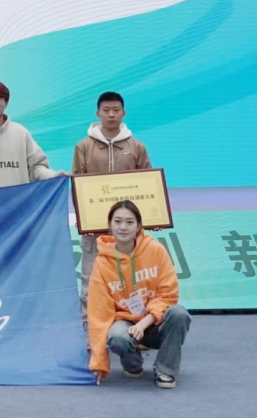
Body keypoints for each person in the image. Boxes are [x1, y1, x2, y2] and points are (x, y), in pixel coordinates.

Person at [88, 200, 189, 389]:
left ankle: (165, 370)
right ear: (109, 226)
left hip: (155, 322)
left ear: (138, 226)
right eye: (117, 221)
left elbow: (168, 294)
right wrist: (99, 363)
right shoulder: (101, 264)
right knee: (117, 336)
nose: (123, 227)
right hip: (125, 323)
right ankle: (132, 363)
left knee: (179, 314)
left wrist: (144, 322)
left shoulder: (156, 250)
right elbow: (98, 315)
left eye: (129, 222)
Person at [72, 92, 152, 309]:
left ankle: (131, 326)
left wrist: (151, 218)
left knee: (131, 282)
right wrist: (84, 218)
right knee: (91, 281)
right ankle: (89, 330)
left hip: (128, 230)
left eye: (116, 110)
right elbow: (77, 185)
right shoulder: (83, 147)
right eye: (106, 110)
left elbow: (147, 184)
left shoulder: (137, 147)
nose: (111, 115)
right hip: (94, 230)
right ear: (97, 113)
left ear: (123, 113)